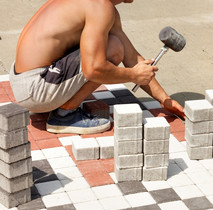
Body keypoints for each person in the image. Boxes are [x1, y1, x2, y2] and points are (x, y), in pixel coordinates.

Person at [10, 0, 185, 134]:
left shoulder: (102, 7)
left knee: (112, 45)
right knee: (112, 48)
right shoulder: (100, 6)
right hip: (36, 90)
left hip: (25, 81)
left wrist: (164, 100)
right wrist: (133, 75)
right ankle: (64, 115)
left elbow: (131, 57)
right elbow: (93, 69)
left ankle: (60, 104)